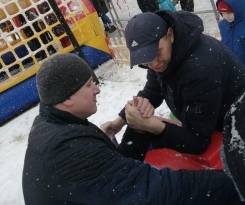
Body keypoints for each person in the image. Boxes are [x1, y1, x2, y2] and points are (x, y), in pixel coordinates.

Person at [22, 53, 244, 205]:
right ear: (68, 98)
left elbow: (114, 173)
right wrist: (233, 181)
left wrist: (138, 128)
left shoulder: (55, 123)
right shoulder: (68, 149)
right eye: (89, 85)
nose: (97, 90)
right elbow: (152, 192)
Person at [101, 11, 245, 156]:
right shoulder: (164, 56)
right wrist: (119, 121)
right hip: (208, 115)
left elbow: (198, 140)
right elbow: (153, 90)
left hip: (236, 124)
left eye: (157, 53)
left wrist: (153, 126)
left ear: (170, 35)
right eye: (145, 59)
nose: (153, 64)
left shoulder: (200, 69)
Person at [216, 0, 245, 65]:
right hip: (232, 67)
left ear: (238, 8)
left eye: (229, 12)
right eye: (223, 13)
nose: (226, 17)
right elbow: (226, 42)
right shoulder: (223, 25)